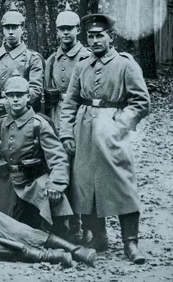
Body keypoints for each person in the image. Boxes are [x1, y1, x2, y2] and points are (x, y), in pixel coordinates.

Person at [60, 14, 150, 264]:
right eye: (91, 36)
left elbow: (141, 103)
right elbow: (70, 103)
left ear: (111, 37)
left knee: (122, 183)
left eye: (100, 35)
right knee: (85, 184)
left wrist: (119, 125)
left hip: (113, 131)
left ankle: (130, 243)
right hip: (85, 130)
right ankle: (98, 236)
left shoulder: (125, 64)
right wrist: (66, 132)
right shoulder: (81, 65)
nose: (95, 40)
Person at [0, 76, 72, 233]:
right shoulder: (0, 123)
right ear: (5, 98)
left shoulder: (39, 124)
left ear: (28, 97)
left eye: (20, 95)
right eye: (11, 95)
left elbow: (58, 158)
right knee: (0, 227)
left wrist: (57, 184)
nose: (15, 100)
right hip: (6, 183)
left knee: (40, 223)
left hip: (32, 182)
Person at [44, 3, 91, 242]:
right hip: (55, 116)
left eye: (70, 29)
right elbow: (46, 89)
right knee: (58, 166)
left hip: (80, 117)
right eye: (61, 29)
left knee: (79, 173)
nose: (65, 33)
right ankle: (63, 223)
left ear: (78, 30)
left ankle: (83, 225)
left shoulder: (87, 56)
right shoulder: (53, 59)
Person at [0, 3, 44, 119]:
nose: (10, 32)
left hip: (22, 115)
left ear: (22, 29)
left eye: (14, 27)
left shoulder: (32, 58)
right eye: (7, 28)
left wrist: (8, 104)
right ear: (3, 30)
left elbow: (35, 90)